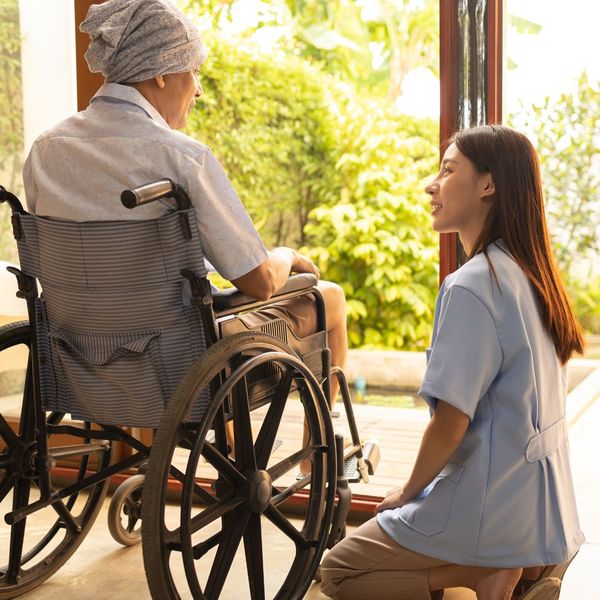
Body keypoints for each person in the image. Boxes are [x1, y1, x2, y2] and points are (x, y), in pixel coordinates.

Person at [22, 0, 348, 427]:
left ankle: (219, 457)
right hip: (175, 368)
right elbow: (259, 280)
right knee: (331, 299)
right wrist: (286, 254)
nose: (197, 90)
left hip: (77, 358)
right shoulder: (180, 157)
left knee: (179, 317)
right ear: (161, 72)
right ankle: (316, 454)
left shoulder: (45, 151)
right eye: (193, 72)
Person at [320, 124, 585, 600]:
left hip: (490, 508)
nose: (431, 184)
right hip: (546, 513)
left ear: (488, 184)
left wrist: (405, 492)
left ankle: (476, 574)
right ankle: (518, 569)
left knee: (337, 572)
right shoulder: (533, 275)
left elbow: (450, 423)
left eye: (447, 170)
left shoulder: (472, 286)